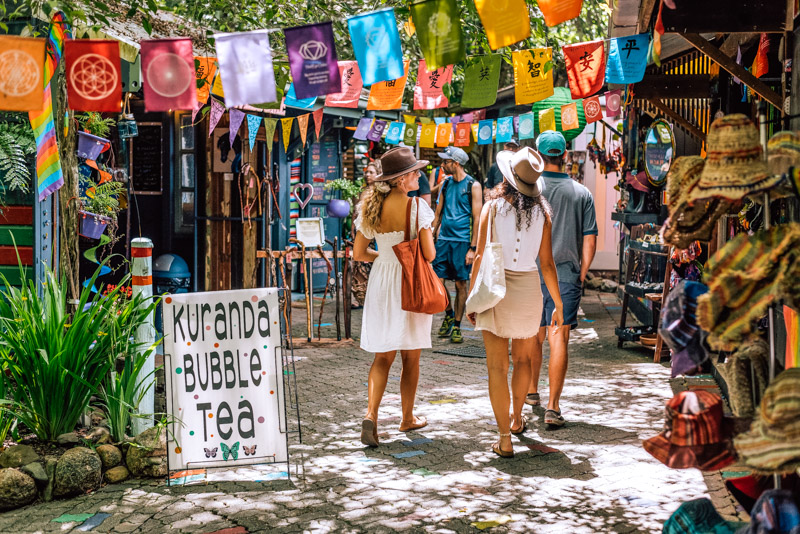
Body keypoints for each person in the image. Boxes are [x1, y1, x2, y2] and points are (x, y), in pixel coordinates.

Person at [468, 147, 564, 458]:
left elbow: (480, 255)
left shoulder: (492, 207)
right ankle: (518, 417)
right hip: (529, 290)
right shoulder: (544, 213)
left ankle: (504, 438)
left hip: (496, 287)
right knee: (524, 361)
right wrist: (558, 304)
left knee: (497, 367)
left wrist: (471, 299)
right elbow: (547, 263)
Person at [354, 147, 437, 447]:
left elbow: (359, 253)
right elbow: (429, 254)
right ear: (402, 180)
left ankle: (371, 415)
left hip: (381, 280)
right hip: (409, 281)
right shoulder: (418, 209)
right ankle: (407, 417)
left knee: (382, 356)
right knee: (410, 356)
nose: (419, 175)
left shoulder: (371, 208)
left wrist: (385, 255)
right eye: (415, 172)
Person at [527, 131, 598, 429]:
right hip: (566, 275)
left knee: (533, 334)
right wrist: (581, 274)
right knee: (559, 337)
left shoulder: (529, 189)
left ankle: (531, 391)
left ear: (540, 158)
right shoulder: (582, 193)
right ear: (565, 156)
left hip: (530, 273)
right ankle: (553, 408)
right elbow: (590, 241)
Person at [432, 147, 483, 343]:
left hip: (462, 241)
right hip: (444, 239)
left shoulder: (473, 185)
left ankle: (456, 325)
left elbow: (477, 218)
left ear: (456, 163)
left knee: (461, 283)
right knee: (438, 280)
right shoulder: (445, 184)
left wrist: (473, 248)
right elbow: (438, 214)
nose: (443, 165)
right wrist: (431, 236)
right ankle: (448, 314)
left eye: (446, 162)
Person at [351, 161, 381, 308]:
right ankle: (361, 295)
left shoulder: (379, 194)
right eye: (366, 172)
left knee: (369, 267)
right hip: (359, 232)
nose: (367, 175)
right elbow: (356, 214)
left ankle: (371, 296)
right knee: (358, 268)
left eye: (371, 172)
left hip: (372, 236)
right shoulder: (362, 191)